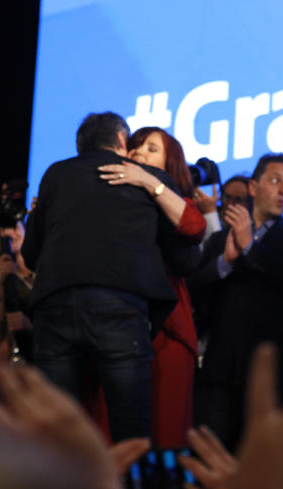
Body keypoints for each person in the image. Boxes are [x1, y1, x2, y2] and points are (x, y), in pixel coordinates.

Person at [21, 111, 195, 443]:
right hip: (121, 310)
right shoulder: (147, 178)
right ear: (120, 141)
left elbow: (30, 256)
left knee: (56, 433)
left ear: (80, 145)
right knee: (129, 434)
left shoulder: (55, 174)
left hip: (54, 312)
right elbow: (183, 255)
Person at [98, 125, 205, 489]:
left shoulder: (171, 198)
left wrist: (147, 181)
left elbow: (193, 228)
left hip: (166, 336)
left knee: (166, 449)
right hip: (114, 331)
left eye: (152, 148)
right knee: (118, 446)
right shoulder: (110, 198)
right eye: (137, 145)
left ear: (170, 162)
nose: (141, 152)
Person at [188, 153, 283, 453]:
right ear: (253, 187)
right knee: (215, 465)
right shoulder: (221, 240)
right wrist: (225, 262)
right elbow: (195, 293)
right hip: (223, 374)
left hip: (278, 375)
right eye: (275, 181)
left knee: (271, 469)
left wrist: (250, 246)